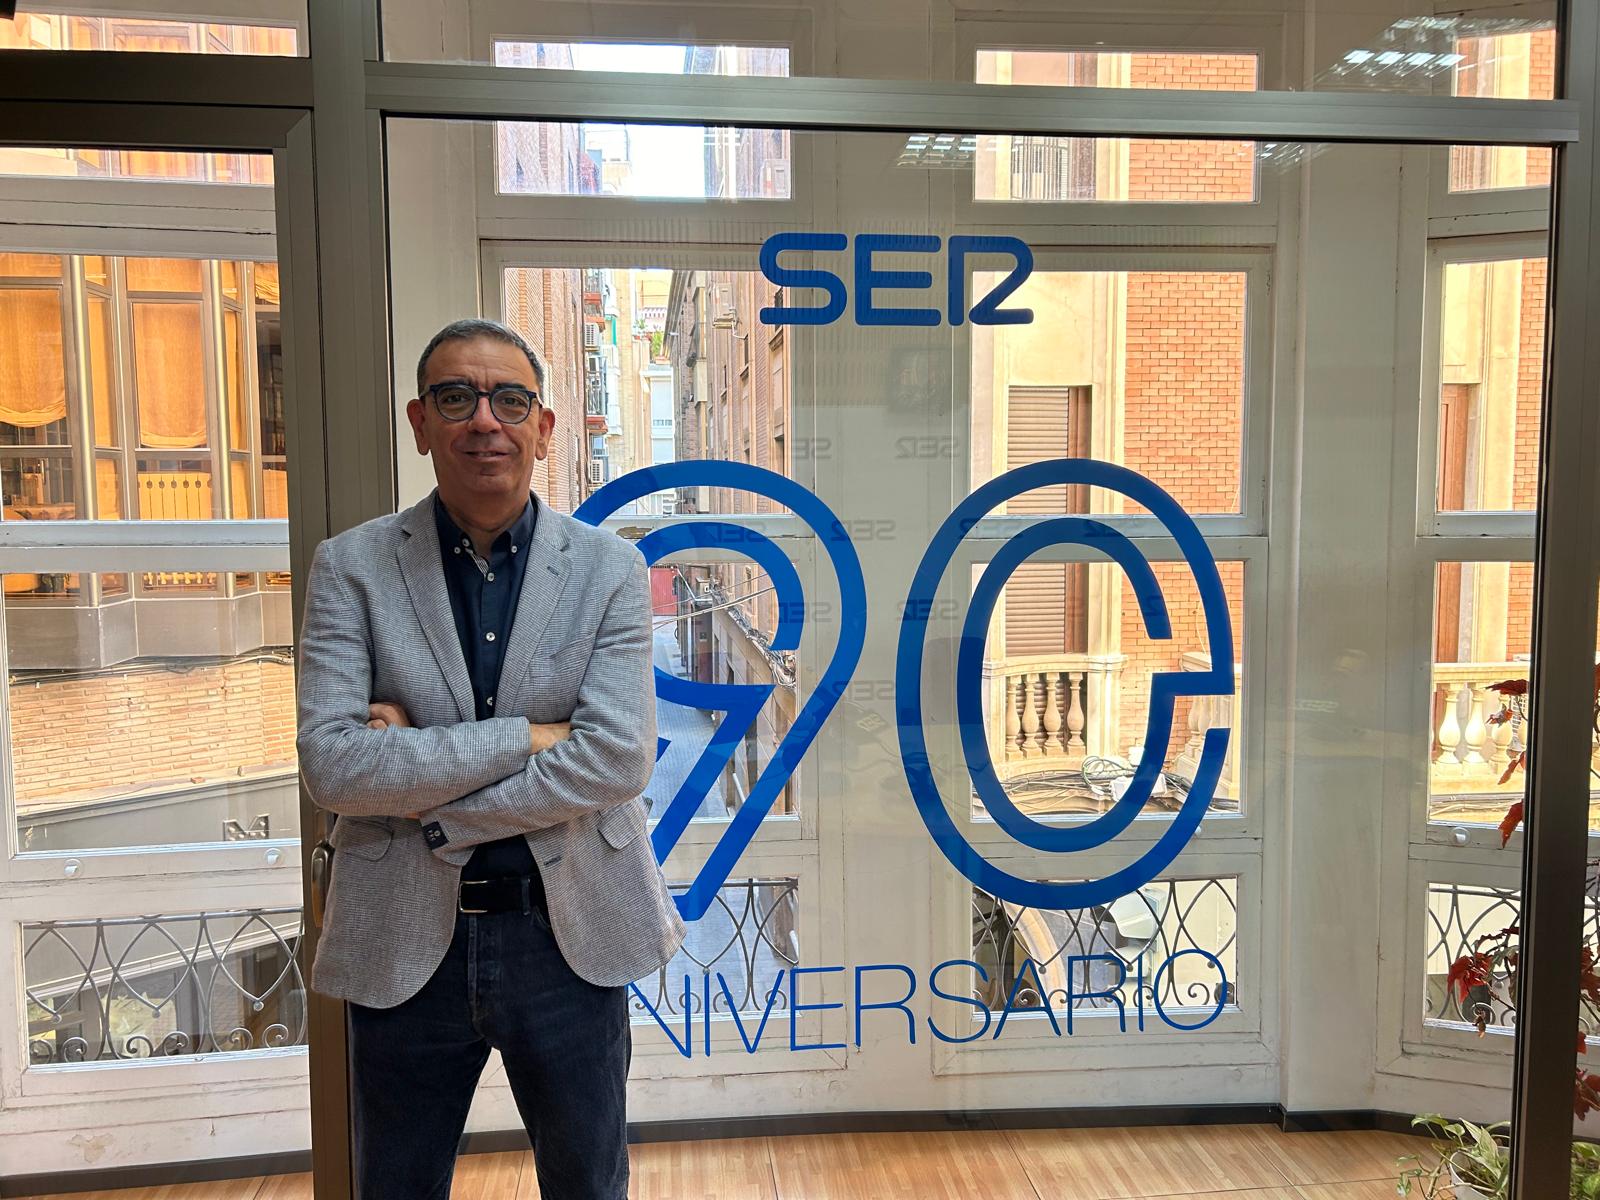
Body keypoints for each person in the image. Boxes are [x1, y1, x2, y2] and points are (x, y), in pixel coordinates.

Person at [296, 318, 685, 1199]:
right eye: (455, 397)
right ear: (419, 423)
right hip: (404, 936)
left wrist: (428, 797)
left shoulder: (610, 570)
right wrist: (527, 736)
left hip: (569, 933)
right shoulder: (350, 568)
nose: (484, 420)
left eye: (510, 400)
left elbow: (616, 760)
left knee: (588, 1184)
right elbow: (334, 768)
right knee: (396, 1185)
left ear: (543, 429)